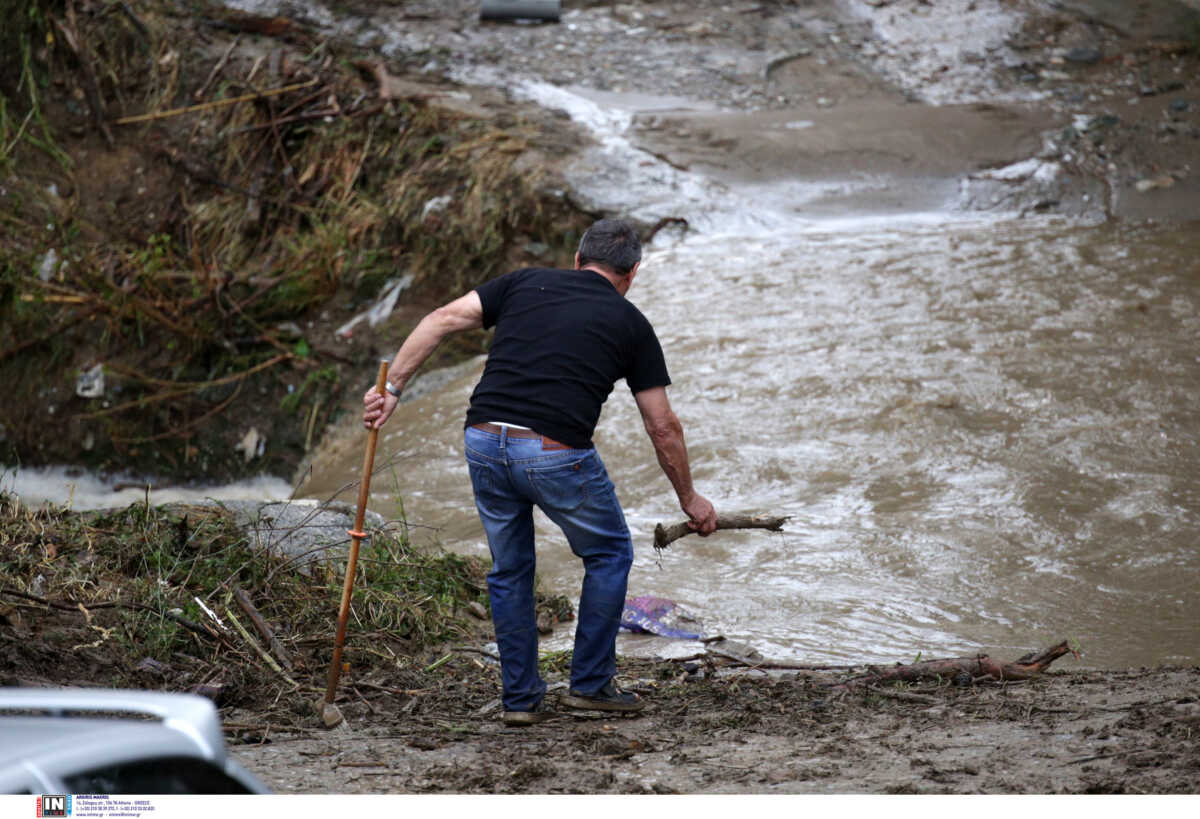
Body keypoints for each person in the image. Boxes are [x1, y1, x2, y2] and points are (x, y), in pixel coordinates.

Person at [363, 218, 717, 725]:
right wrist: (689, 499)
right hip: (552, 450)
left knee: (510, 570)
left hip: (483, 437)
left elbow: (441, 318)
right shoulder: (631, 323)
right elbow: (662, 426)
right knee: (610, 551)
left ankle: (521, 700)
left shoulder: (522, 282)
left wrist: (391, 391)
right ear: (632, 273)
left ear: (577, 259)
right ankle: (591, 686)